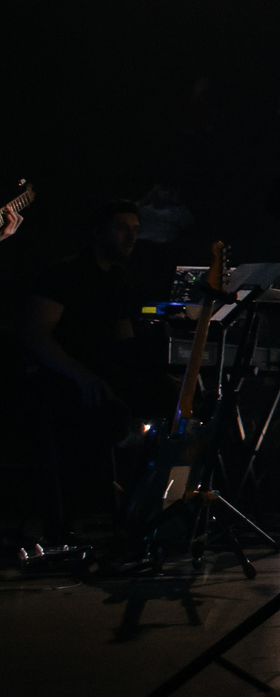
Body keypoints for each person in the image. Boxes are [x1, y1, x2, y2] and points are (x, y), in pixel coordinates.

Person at [20, 198, 155, 537]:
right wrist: (82, 375)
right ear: (98, 231)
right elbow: (37, 336)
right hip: (60, 376)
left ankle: (148, 510)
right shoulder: (64, 274)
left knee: (168, 399)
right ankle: (77, 515)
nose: (131, 238)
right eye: (122, 228)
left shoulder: (119, 280)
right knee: (103, 414)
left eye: (136, 230)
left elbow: (123, 341)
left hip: (100, 374)